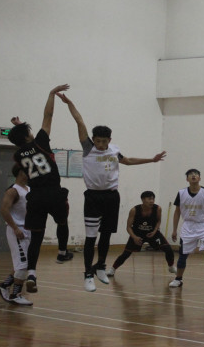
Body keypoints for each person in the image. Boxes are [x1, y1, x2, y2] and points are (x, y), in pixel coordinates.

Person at [57, 93, 166, 292]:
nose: (100, 144)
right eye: (97, 141)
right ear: (93, 140)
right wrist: (69, 103)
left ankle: (100, 266)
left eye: (104, 141)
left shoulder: (114, 151)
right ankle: (87, 274)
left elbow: (128, 161)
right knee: (91, 237)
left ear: (110, 140)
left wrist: (152, 159)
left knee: (106, 235)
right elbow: (79, 121)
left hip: (111, 197)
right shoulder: (88, 148)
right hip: (93, 197)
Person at [8, 84, 73, 293]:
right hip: (53, 192)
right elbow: (48, 115)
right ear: (29, 135)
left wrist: (20, 127)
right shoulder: (40, 142)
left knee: (36, 238)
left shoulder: (18, 155)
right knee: (62, 222)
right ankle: (62, 252)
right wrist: (51, 94)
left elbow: (24, 143)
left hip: (35, 196)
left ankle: (32, 274)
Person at [169, 169, 204, 292]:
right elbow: (177, 212)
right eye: (190, 175)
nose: (193, 176)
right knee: (183, 255)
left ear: (199, 178)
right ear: (187, 179)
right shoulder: (181, 193)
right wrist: (174, 230)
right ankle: (178, 279)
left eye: (196, 174)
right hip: (188, 226)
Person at [105, 191, 176, 277]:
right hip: (137, 234)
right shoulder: (134, 210)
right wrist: (134, 237)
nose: (151, 201)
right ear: (143, 199)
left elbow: (158, 221)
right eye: (149, 199)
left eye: (153, 199)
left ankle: (171, 266)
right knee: (126, 254)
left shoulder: (158, 209)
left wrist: (154, 231)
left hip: (152, 233)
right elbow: (128, 227)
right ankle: (112, 269)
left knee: (168, 249)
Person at [0, 163, 33, 306]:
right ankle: (15, 294)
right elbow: (4, 210)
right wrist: (15, 228)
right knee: (23, 264)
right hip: (17, 230)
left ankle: (4, 285)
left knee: (23, 263)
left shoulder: (29, 189)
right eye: (28, 170)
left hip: (28, 229)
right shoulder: (13, 191)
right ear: (21, 172)